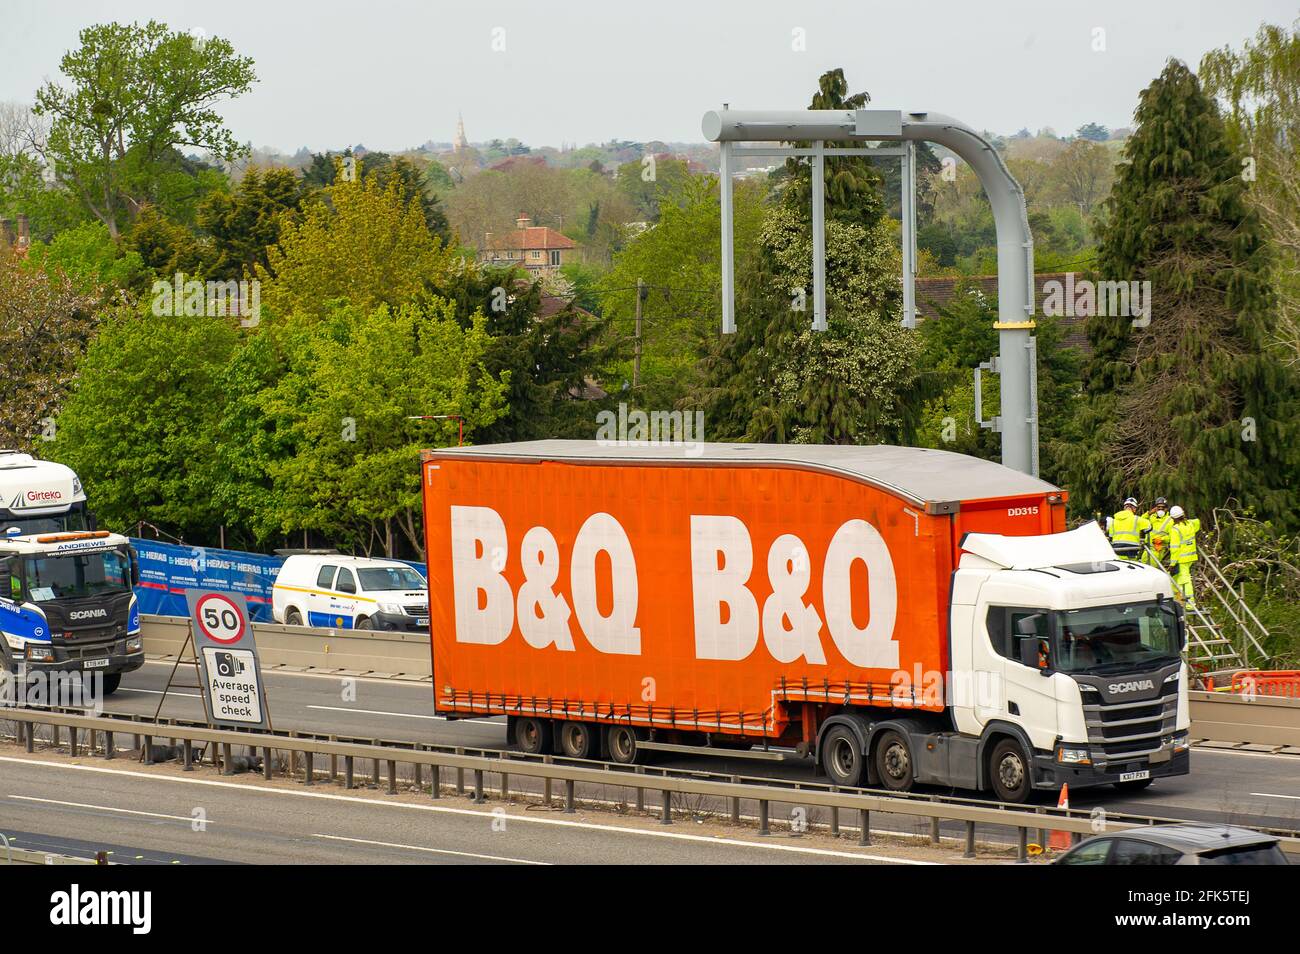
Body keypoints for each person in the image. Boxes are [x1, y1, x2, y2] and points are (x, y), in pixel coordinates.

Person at [1168, 505, 1201, 607]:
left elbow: (1174, 548)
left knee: (1185, 581)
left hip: (1181, 559)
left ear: (1173, 518)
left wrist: (1172, 564)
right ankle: (1177, 601)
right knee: (1174, 579)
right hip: (1191, 557)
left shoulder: (1175, 529)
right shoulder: (1190, 524)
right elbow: (1197, 522)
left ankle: (1189, 604)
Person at [1145, 497, 1175, 568]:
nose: (1160, 509)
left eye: (1163, 507)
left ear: (1166, 508)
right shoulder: (1152, 517)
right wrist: (1148, 513)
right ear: (1155, 508)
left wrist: (1162, 539)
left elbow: (1172, 537)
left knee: (1151, 570)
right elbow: (1139, 521)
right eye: (1158, 507)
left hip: (1158, 550)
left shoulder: (1170, 520)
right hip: (1147, 549)